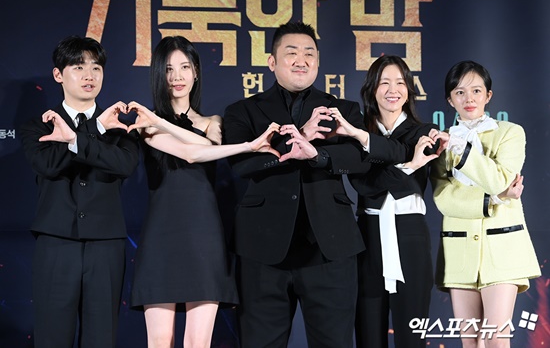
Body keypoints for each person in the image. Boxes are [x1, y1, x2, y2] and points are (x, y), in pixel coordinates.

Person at [128, 35, 280, 348]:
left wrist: (163, 123)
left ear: (196, 71)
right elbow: (191, 153)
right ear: (158, 74)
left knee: (199, 343)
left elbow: (209, 146)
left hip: (204, 235)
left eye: (185, 67)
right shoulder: (146, 124)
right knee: (160, 341)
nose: (177, 76)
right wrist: (248, 145)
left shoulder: (212, 121)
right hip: (161, 236)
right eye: (168, 69)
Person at [222, 21, 367, 348]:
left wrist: (316, 154)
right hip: (262, 251)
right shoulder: (243, 111)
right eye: (292, 53)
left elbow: (359, 158)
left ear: (318, 62)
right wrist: (299, 137)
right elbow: (241, 164)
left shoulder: (343, 111)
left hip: (330, 249)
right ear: (272, 62)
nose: (302, 60)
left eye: (309, 53)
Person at [19, 35, 140, 348]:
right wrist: (93, 131)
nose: (89, 75)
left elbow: (124, 164)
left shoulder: (120, 125)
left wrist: (82, 136)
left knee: (101, 337)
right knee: (52, 336)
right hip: (56, 243)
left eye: (96, 68)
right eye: (78, 67)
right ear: (58, 74)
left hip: (106, 246)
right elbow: (48, 164)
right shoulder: (39, 126)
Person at [328, 55, 438, 347]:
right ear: (371, 89)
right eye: (384, 82)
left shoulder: (423, 132)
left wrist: (400, 165)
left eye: (400, 83)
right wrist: (409, 165)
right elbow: (365, 185)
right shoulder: (355, 134)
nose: (393, 90)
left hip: (411, 234)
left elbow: (394, 175)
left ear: (409, 90)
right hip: (368, 234)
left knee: (413, 333)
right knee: (368, 331)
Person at [430, 60, 540, 347]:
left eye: (476, 91)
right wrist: (495, 199)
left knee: (495, 340)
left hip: (503, 249)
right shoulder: (440, 142)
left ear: (488, 96)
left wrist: (462, 150)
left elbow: (501, 180)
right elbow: (443, 198)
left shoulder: (510, 132)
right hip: (459, 251)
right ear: (450, 99)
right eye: (460, 92)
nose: (469, 99)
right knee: (470, 343)